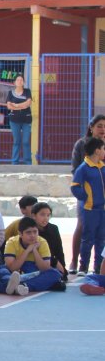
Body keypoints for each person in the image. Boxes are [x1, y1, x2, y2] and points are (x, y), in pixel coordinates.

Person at [69, 115, 105, 274]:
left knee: (101, 234)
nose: (103, 129)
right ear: (91, 127)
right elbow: (76, 170)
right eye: (99, 126)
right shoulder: (82, 144)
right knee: (83, 227)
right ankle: (76, 262)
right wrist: (85, 196)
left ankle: (99, 266)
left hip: (102, 200)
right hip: (88, 199)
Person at [3, 217, 65, 293]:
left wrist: (35, 250)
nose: (32, 235)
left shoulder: (42, 242)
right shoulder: (11, 242)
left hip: (35, 270)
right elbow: (12, 268)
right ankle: (19, 285)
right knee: (0, 273)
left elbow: (44, 268)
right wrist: (28, 250)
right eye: (28, 232)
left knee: (55, 274)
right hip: (18, 270)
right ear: (20, 234)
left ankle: (23, 285)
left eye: (35, 232)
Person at [5, 74, 33, 165]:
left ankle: (28, 162)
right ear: (14, 82)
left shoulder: (27, 91)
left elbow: (28, 104)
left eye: (21, 80)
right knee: (16, 141)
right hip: (14, 120)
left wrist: (16, 105)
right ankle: (14, 162)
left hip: (26, 120)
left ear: (23, 82)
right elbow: (9, 106)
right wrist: (21, 106)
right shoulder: (10, 93)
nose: (19, 81)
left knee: (25, 141)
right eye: (18, 80)